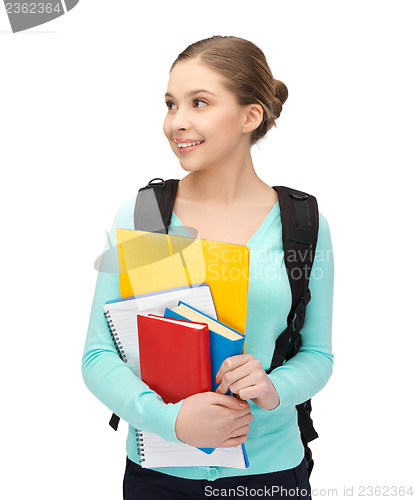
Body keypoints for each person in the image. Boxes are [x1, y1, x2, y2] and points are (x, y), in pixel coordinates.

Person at [82, 35, 334, 499]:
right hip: (159, 476)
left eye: (199, 102)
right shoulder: (145, 217)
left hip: (271, 477)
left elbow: (318, 355)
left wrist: (273, 386)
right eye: (171, 104)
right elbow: (99, 357)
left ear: (250, 116)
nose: (178, 122)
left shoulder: (302, 222)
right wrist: (171, 420)